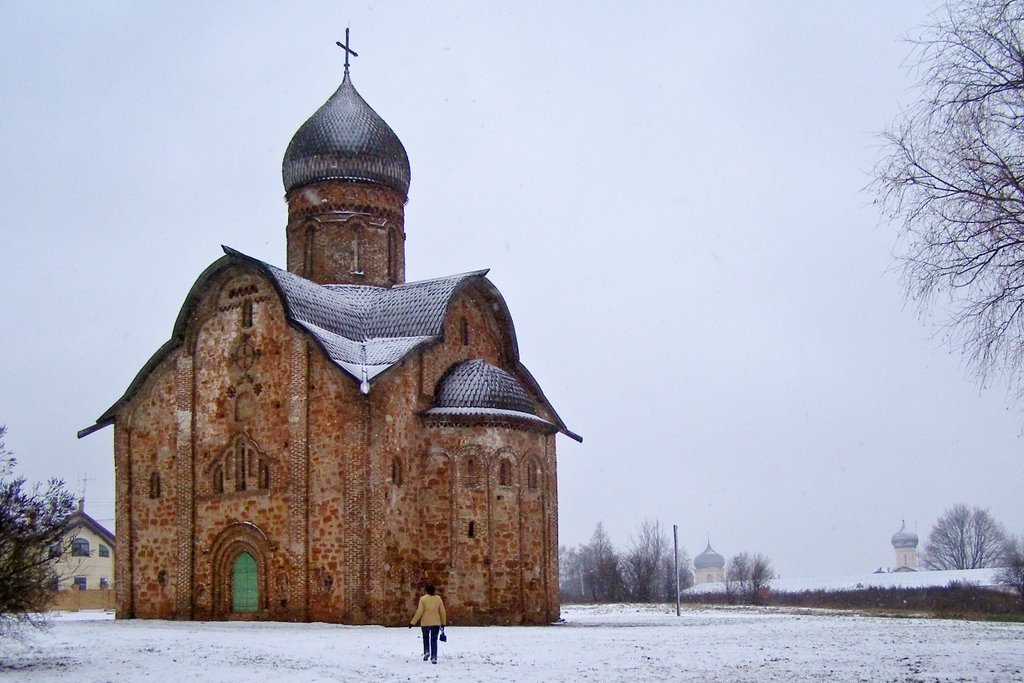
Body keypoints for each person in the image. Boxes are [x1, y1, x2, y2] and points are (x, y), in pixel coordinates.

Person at [410, 583, 446, 664]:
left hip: (425, 623)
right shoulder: (438, 599)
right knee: (434, 640)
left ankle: (426, 651)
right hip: (436, 623)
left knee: (425, 638)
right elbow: (442, 612)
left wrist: (412, 622)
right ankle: (434, 657)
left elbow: (419, 612)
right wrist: (443, 623)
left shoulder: (423, 599)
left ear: (426, 590)